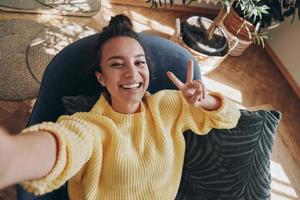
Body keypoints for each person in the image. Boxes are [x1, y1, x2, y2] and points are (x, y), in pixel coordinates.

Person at [0, 14, 241, 199]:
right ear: (101, 78)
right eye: (117, 64)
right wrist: (13, 156)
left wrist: (204, 101)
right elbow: (67, 143)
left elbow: (231, 117)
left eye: (139, 62)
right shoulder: (90, 124)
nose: (132, 73)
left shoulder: (170, 104)